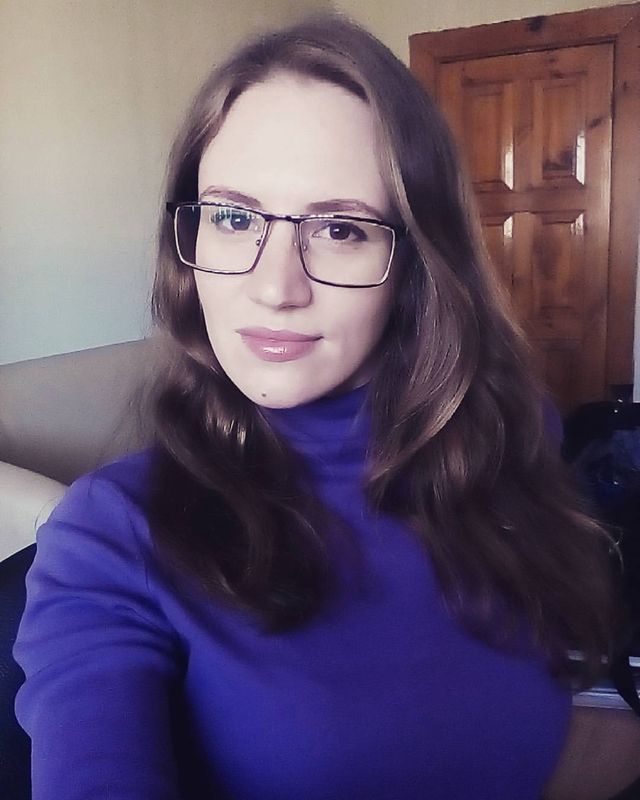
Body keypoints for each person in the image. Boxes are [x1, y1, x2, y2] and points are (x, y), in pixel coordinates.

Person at [13, 12, 636, 800]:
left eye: (341, 229)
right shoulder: (114, 534)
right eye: (233, 217)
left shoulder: (510, 438)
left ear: (418, 263)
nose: (276, 287)